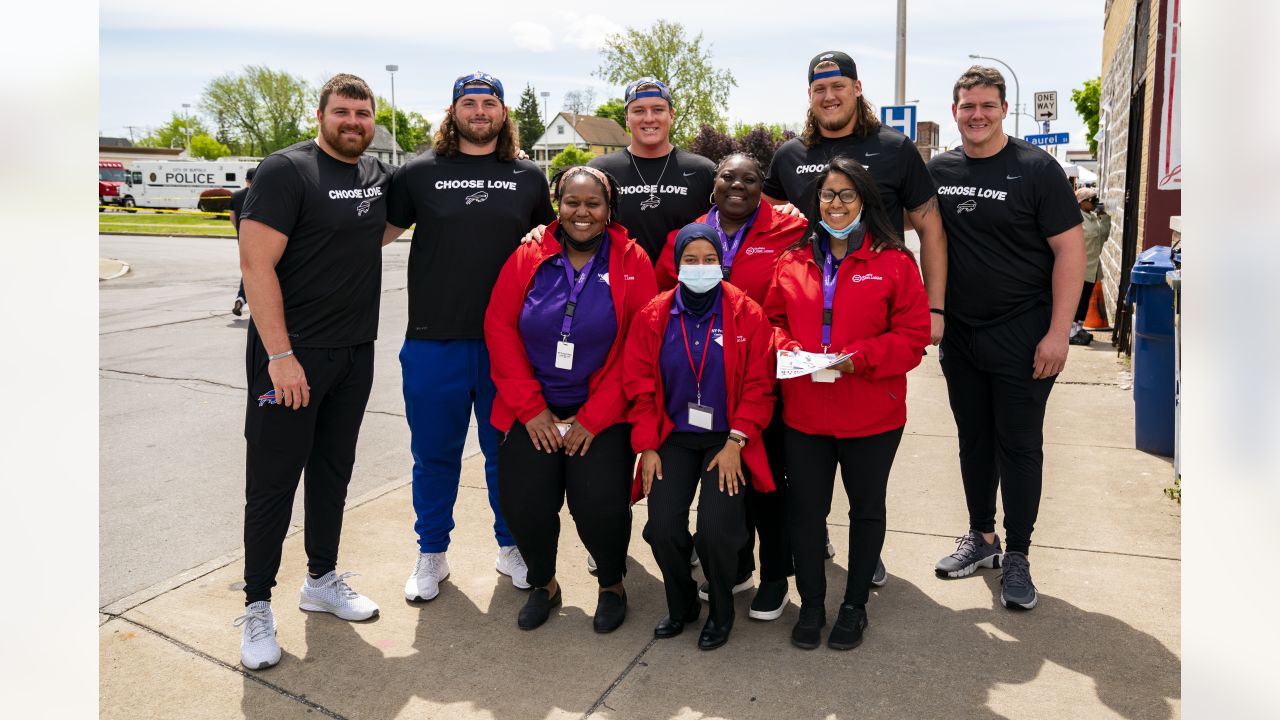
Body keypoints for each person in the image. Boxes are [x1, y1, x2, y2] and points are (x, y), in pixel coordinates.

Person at [234, 74, 400, 670]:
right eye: (342, 111)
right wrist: (280, 357)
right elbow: (256, 267)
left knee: (333, 471)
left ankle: (321, 581)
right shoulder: (287, 171)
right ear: (321, 114)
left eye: (363, 113)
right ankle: (256, 605)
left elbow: (377, 232)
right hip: (292, 357)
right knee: (274, 483)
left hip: (355, 352)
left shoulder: (375, 177)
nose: (353, 121)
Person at [386, 72, 555, 604]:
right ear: (453, 111)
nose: (479, 111)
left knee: (503, 455)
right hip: (433, 341)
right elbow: (370, 236)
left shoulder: (527, 177)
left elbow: (554, 245)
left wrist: (539, 237)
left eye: (489, 103)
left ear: (503, 114)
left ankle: (511, 546)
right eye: (469, 103)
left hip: (506, 346)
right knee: (433, 455)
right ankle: (431, 553)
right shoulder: (417, 174)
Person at [928, 66, 1085, 611]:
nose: (977, 115)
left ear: (1003, 109)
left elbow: (1070, 252)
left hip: (1024, 333)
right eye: (967, 106)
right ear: (955, 110)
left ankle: (1017, 554)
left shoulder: (1036, 169)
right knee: (974, 440)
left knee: (1018, 446)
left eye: (987, 106)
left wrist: (1058, 334)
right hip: (963, 336)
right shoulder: (940, 169)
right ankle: (982, 539)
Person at [765, 155, 930, 651]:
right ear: (815, 202)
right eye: (827, 195)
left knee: (866, 511)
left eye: (846, 195)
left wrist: (859, 360)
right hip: (806, 414)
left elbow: (913, 336)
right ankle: (812, 604)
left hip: (871, 414)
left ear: (865, 201)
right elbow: (772, 322)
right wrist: (788, 350)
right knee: (807, 514)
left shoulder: (894, 261)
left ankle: (855, 606)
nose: (835, 205)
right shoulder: (792, 261)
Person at [484, 166, 657, 632]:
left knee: (600, 505)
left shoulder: (632, 259)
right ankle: (543, 584)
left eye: (593, 204)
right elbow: (499, 327)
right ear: (558, 205)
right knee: (526, 505)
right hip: (531, 410)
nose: (582, 213)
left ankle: (612, 585)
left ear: (608, 210)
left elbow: (641, 341)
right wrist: (532, 410)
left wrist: (593, 417)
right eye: (572, 203)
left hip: (601, 412)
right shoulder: (529, 253)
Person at [652, 153, 808, 622]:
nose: (737, 186)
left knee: (768, 485)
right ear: (713, 183)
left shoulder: (789, 228)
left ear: (764, 187)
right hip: (706, 385)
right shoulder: (693, 233)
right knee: (727, 491)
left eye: (750, 179)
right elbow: (662, 295)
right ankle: (736, 568)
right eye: (727, 177)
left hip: (768, 377)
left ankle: (775, 577)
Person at [625, 222, 777, 650]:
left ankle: (722, 610)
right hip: (672, 436)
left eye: (709, 260)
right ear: (676, 266)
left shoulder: (747, 313)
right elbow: (638, 385)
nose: (700, 267)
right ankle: (682, 603)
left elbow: (760, 385)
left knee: (716, 529)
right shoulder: (654, 314)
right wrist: (647, 446)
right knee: (662, 526)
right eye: (690, 260)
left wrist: (737, 442)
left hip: (726, 439)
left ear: (721, 263)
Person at [764, 51, 947, 347]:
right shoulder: (789, 155)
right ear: (809, 94)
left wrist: (935, 308)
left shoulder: (895, 147)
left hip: (877, 315)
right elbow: (762, 219)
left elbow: (931, 229)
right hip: (806, 310)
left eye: (838, 86)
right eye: (820, 89)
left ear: (857, 88)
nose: (829, 96)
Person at [522, 78, 716, 266]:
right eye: (639, 110)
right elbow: (574, 222)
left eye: (658, 109)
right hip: (615, 290)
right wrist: (543, 232)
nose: (649, 118)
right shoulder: (600, 171)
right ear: (626, 118)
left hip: (684, 293)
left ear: (671, 115)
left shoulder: (703, 171)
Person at [1070, 187, 1111, 346]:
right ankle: (1070, 331)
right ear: (1082, 202)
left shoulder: (1093, 217)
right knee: (1076, 299)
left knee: (1085, 299)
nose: (1096, 203)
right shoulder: (1076, 218)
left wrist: (1104, 218)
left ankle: (1079, 327)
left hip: (1093, 266)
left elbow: (1103, 237)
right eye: (1092, 200)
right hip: (1079, 265)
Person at [229, 166, 257, 316]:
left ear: (246, 180)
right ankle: (244, 298)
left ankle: (242, 297)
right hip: (260, 238)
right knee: (258, 268)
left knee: (248, 267)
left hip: (242, 237)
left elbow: (232, 217)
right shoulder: (261, 195)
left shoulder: (235, 196)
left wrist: (239, 231)